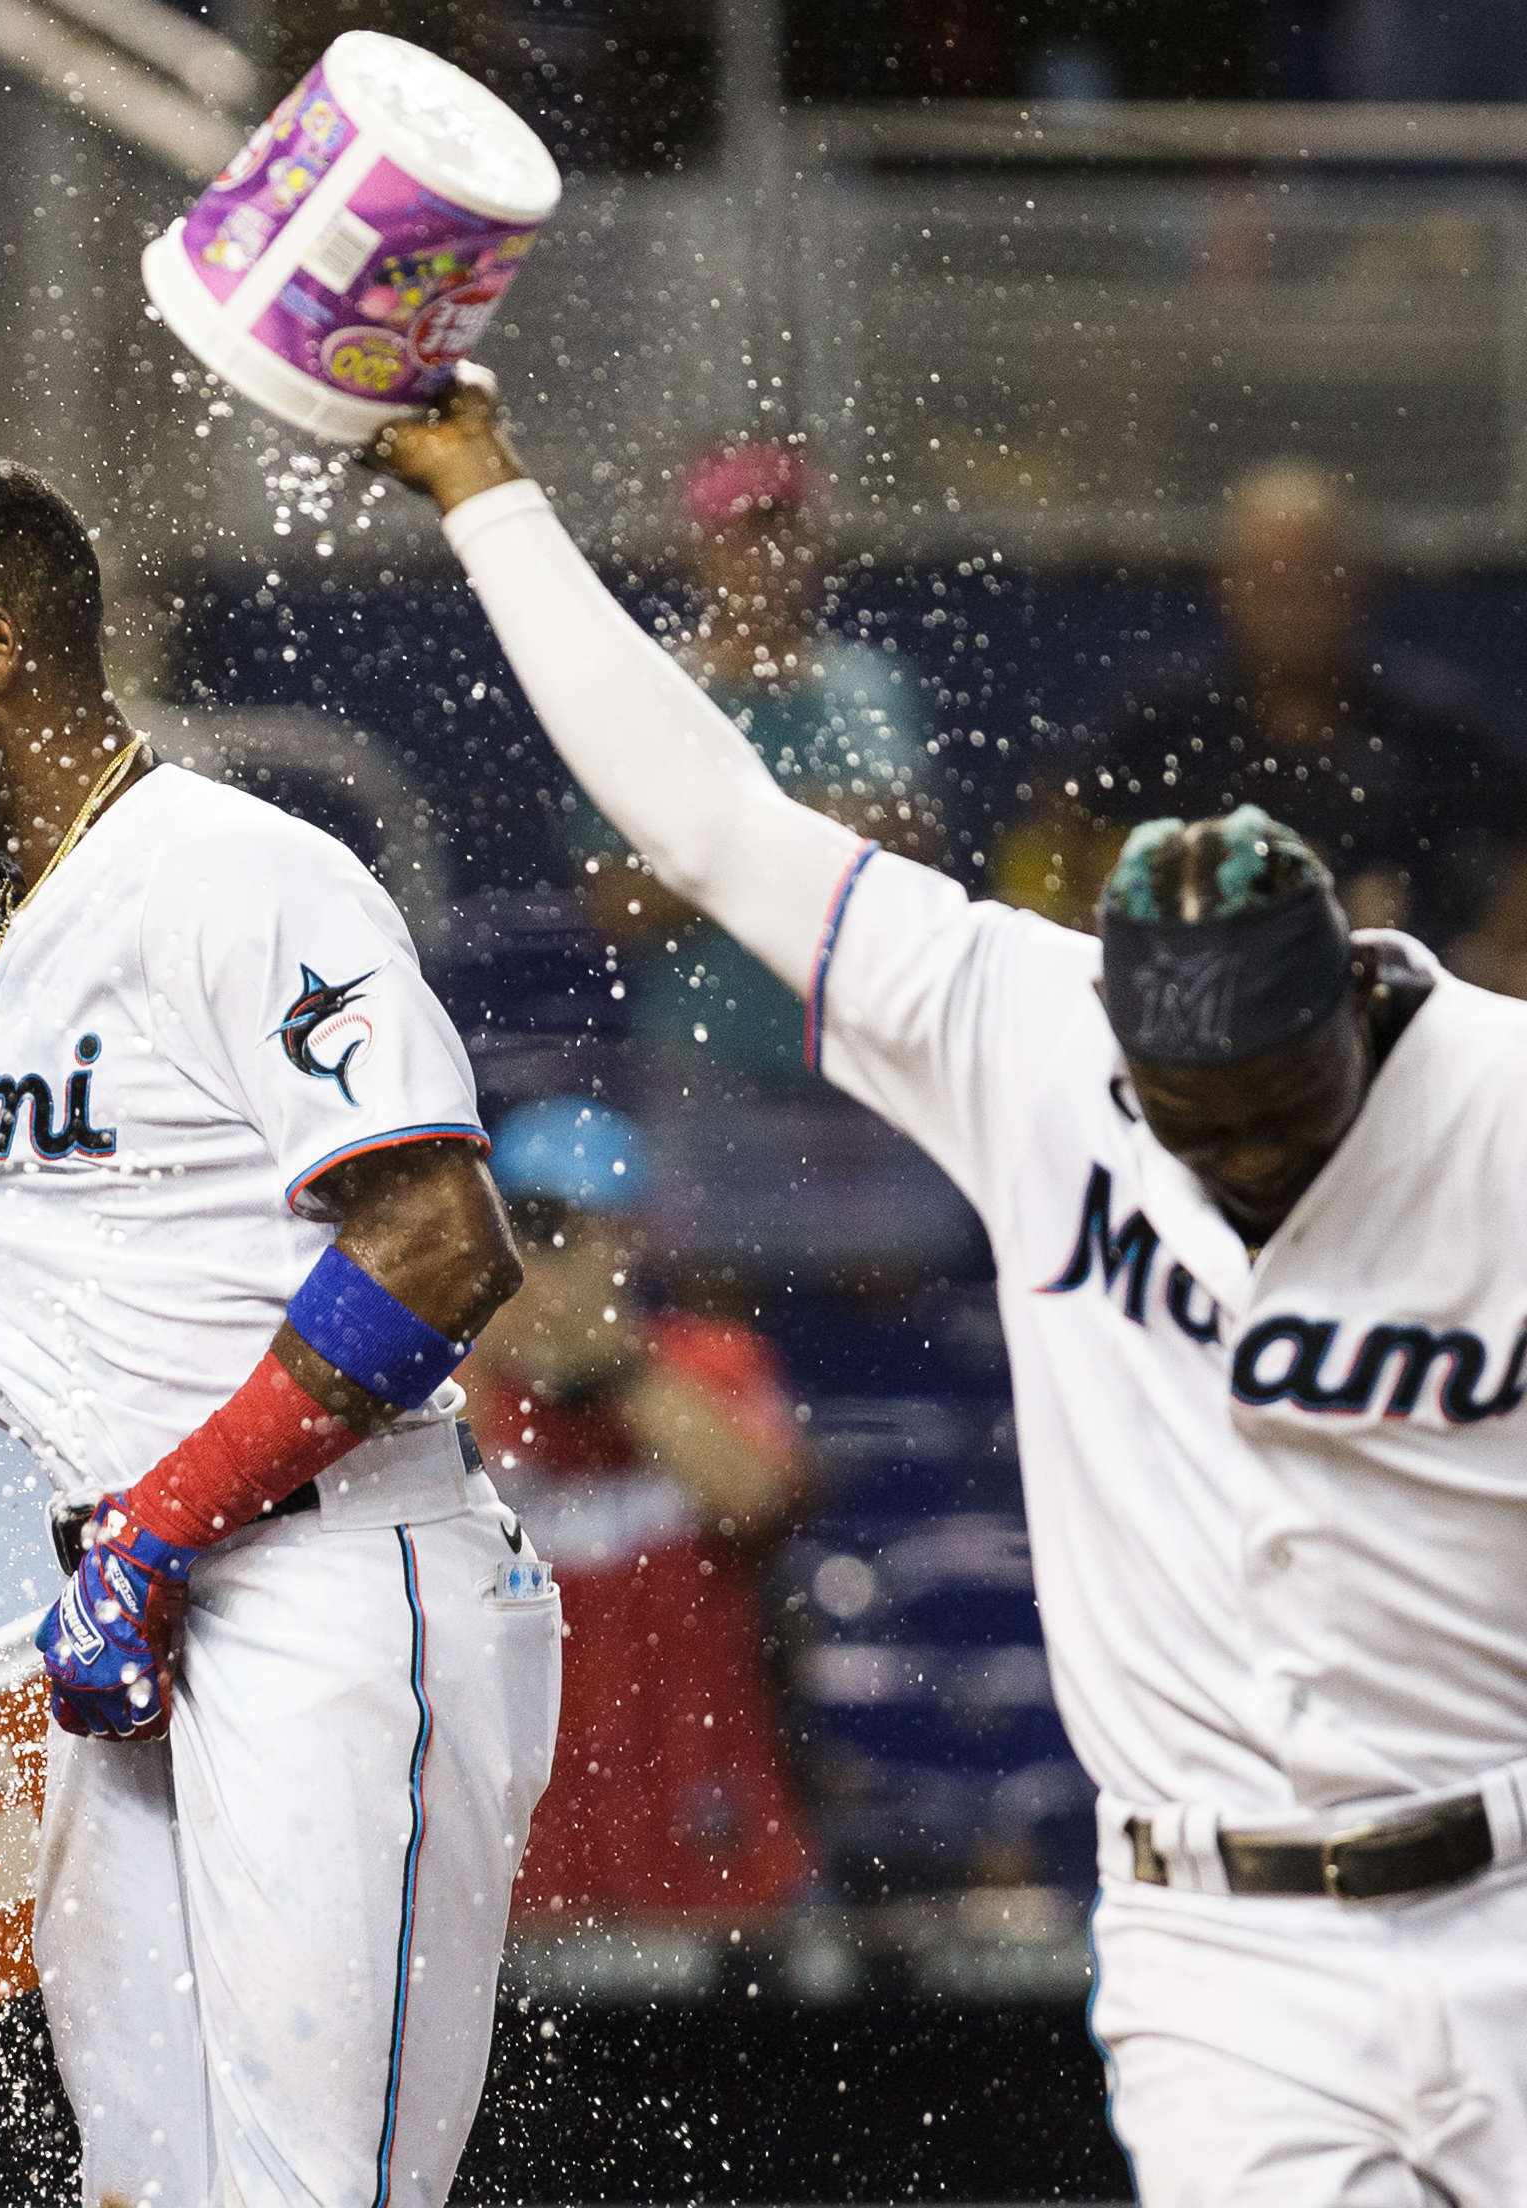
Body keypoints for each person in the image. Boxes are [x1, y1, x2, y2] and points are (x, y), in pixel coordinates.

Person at [380, 373, 1527, 2206]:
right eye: (1186, 1110)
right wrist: (485, 492)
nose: (1226, 1149)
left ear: (1362, 1005)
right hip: (1224, 1957)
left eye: (1268, 1107)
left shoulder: (1498, 1105)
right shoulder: (1027, 1029)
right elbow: (712, 814)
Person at [0, 456, 563, 2208]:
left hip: (319, 1574)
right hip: (127, 1591)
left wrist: (168, 1526)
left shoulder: (245, 875)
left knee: (300, 2190)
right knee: (145, 2185)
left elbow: (436, 1241)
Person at [459, 1100, 816, 1917]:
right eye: (525, 1233)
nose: (549, 1266)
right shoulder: (453, 1386)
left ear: (628, 1240)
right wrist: (497, 1342)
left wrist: (611, 1366)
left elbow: (756, 1497)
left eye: (572, 1234)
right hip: (521, 1874)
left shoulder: (709, 1363)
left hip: (713, 1858)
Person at [993, 457, 1527, 954]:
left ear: (1360, 584)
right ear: (1226, 585)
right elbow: (1061, 811)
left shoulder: (1437, 723)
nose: (1295, 607)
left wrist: (1488, 955)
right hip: (1198, 1000)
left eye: (1315, 578)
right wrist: (1115, 936)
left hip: (1393, 1009)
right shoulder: (1164, 714)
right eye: (1273, 581)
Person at [579, 443, 929, 1089]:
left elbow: (906, 858)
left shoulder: (868, 685)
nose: (765, 564)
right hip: (707, 1070)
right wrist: (807, 831)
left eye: (785, 539)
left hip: (871, 1066)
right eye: (741, 540)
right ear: (699, 550)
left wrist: (709, 850)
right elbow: (619, 906)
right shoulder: (647, 694)